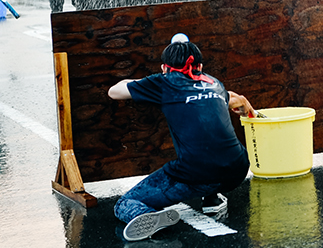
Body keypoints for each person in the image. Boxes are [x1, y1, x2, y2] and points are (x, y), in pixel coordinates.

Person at [108, 34, 253, 242]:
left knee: (125, 203)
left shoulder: (164, 83)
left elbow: (114, 92)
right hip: (238, 168)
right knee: (214, 152)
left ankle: (144, 216)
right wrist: (248, 110)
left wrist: (144, 83)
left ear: (164, 68)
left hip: (197, 173)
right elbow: (238, 100)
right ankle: (212, 199)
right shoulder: (215, 83)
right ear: (200, 66)